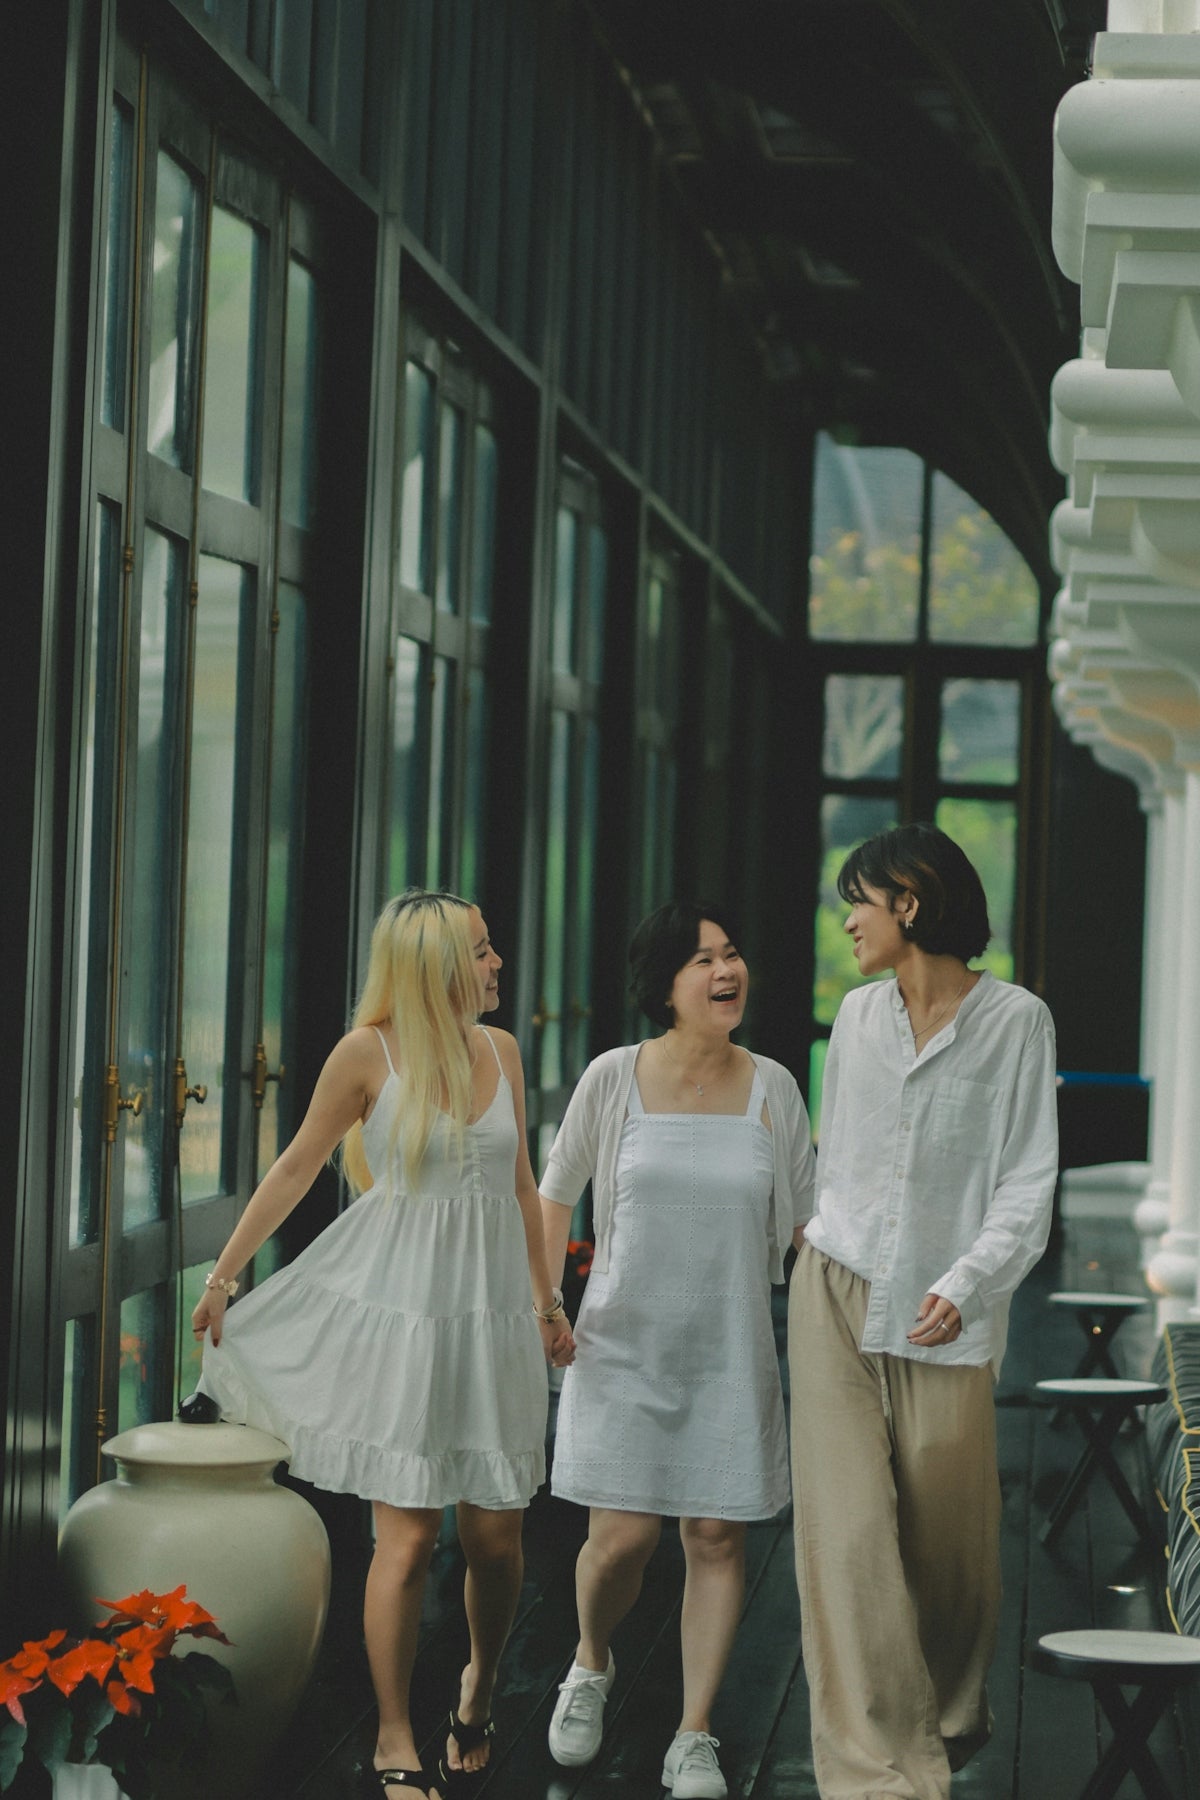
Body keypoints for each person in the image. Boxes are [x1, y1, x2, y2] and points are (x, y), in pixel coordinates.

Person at [190, 889, 574, 1800]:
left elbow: (521, 1188)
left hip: (489, 1322)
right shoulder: (368, 1054)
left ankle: (477, 1685)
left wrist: (546, 1302)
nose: (496, 965)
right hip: (396, 1314)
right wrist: (222, 1277)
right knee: (402, 1540)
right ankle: (395, 1736)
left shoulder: (502, 1052)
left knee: (496, 1536)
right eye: (482, 951)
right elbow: (295, 1165)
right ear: (438, 963)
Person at [790, 823, 1057, 1800]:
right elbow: (841, 1157)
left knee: (953, 1553)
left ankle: (943, 1718)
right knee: (847, 1539)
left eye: (856, 900)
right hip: (836, 1285)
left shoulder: (1019, 1021)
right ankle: (880, 1774)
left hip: (945, 1302)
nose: (846, 920)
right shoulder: (856, 1019)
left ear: (909, 902)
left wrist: (965, 1279)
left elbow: (1028, 1182)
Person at [538, 903, 815, 1800]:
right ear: (665, 984)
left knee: (715, 1537)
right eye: (703, 960)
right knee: (618, 1543)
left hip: (730, 1352)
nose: (725, 970)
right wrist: (546, 1300)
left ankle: (693, 1735)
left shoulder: (774, 1086)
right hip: (622, 1346)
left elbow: (809, 1229)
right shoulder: (614, 1077)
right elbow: (553, 1196)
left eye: (732, 954)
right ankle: (590, 1660)